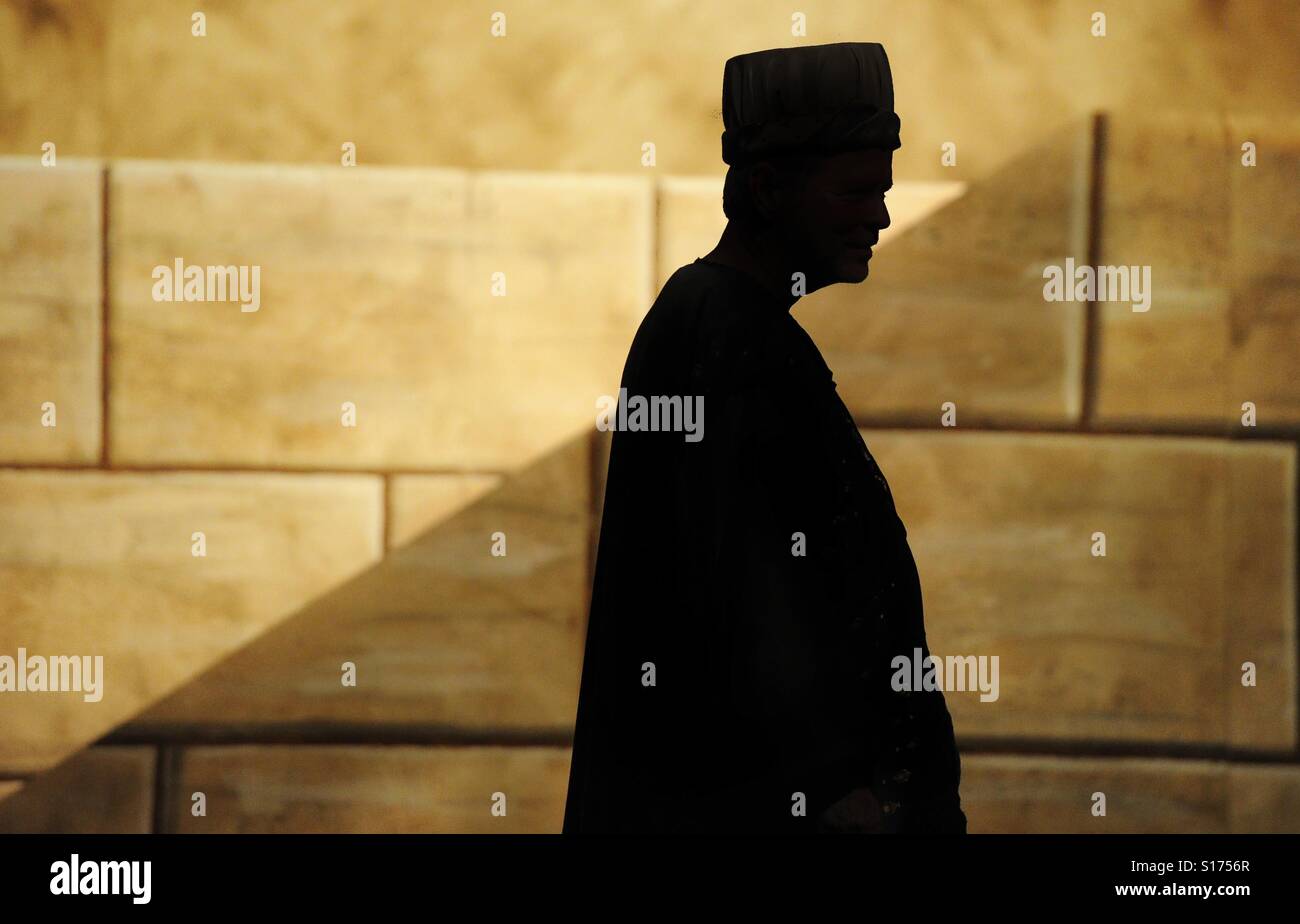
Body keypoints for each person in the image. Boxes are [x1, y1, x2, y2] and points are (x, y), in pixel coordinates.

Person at [563, 41, 966, 834]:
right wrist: (833, 790)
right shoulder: (729, 339)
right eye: (855, 193)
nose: (879, 217)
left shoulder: (723, 327)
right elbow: (749, 611)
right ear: (768, 187)